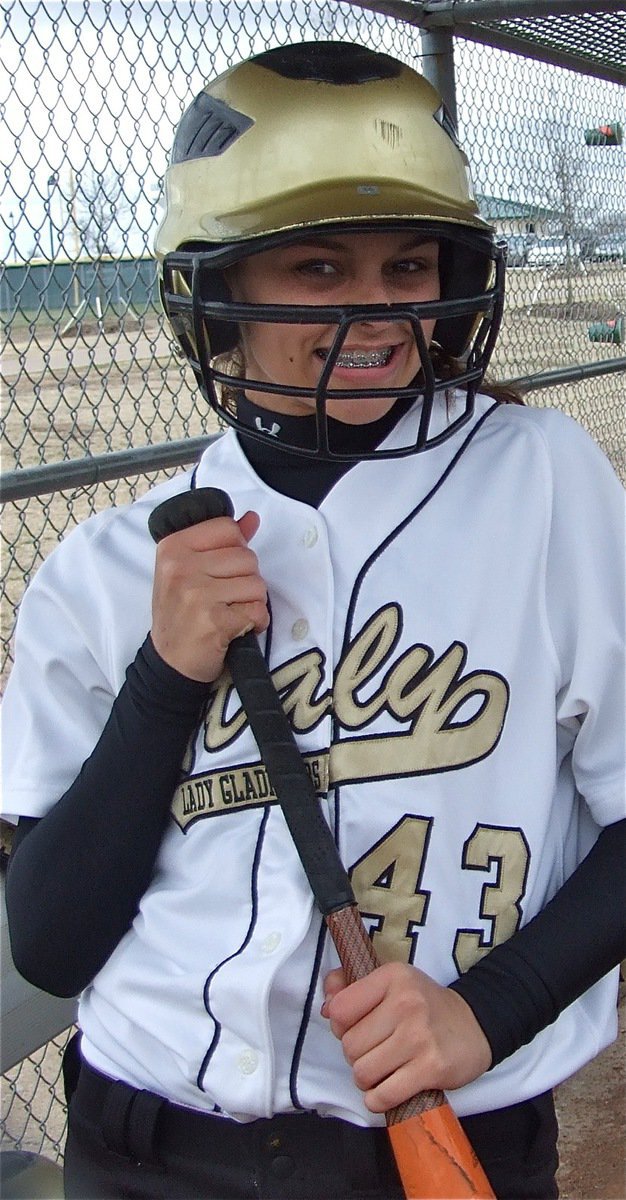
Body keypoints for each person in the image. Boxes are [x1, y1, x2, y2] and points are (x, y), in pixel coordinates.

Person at [2, 41, 624, 1200]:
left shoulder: (541, 486)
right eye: (319, 269)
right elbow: (47, 941)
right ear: (216, 291)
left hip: (440, 1140)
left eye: (407, 262)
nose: (381, 309)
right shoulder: (103, 568)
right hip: (144, 1141)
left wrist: (489, 1012)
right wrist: (168, 675)